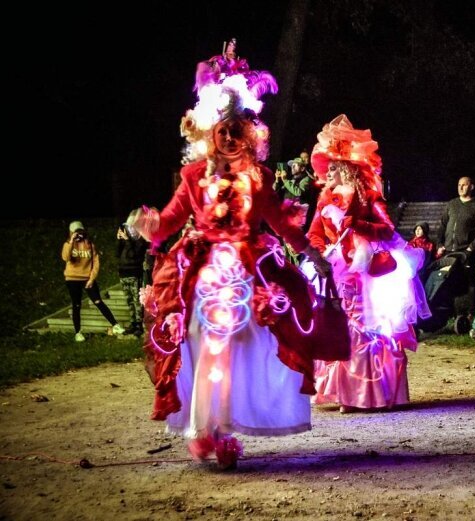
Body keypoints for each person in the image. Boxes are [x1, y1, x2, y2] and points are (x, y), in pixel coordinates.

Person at [128, 42, 332, 470]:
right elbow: (168, 221)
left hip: (249, 272)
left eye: (237, 128)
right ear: (208, 135)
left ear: (249, 133)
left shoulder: (259, 180)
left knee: (244, 347)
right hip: (201, 274)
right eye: (222, 130)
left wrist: (310, 251)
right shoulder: (192, 177)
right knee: (205, 345)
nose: (229, 137)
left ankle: (222, 427)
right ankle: (207, 430)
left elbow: (282, 222)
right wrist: (150, 224)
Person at [306, 114, 431, 413]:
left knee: (368, 328)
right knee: (340, 326)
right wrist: (322, 251)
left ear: (349, 169)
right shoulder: (324, 201)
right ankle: (345, 393)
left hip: (368, 273)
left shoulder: (369, 197)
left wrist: (355, 223)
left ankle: (373, 392)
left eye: (336, 166)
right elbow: (313, 233)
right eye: (329, 167)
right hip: (337, 272)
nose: (330, 172)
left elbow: (386, 229)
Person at [436, 176, 475, 331]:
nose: (461, 187)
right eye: (459, 185)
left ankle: (472, 314)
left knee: (470, 282)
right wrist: (439, 244)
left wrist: (472, 247)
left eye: (464, 185)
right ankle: (452, 314)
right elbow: (442, 225)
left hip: (466, 252)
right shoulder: (451, 204)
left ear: (471, 186)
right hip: (449, 251)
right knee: (449, 283)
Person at [62, 221, 125, 342]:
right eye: (75, 232)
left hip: (87, 279)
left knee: (98, 301)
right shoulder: (68, 244)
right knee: (76, 305)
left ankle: (115, 325)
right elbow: (65, 257)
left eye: (80, 231)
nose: (78, 234)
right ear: (71, 232)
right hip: (72, 279)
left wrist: (91, 279)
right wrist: (71, 241)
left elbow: (95, 262)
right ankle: (78, 332)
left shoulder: (89, 244)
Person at [116, 214, 149, 336]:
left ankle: (139, 325)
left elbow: (134, 255)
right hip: (123, 273)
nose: (127, 230)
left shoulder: (139, 240)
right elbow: (117, 253)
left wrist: (127, 240)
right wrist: (119, 240)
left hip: (134, 273)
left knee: (136, 301)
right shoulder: (125, 241)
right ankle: (132, 323)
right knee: (129, 300)